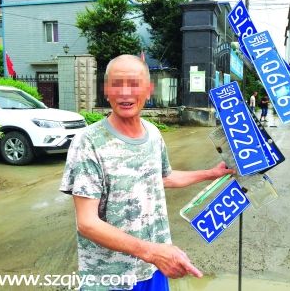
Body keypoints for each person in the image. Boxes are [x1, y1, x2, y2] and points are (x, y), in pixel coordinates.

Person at [59, 55, 234, 291]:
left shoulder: (153, 134)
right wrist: (153, 252)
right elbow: (87, 223)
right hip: (110, 278)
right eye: (117, 84)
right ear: (106, 90)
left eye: (133, 83)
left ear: (148, 89)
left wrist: (211, 173)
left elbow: (161, 177)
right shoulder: (88, 142)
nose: (125, 93)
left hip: (152, 271)